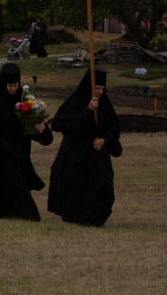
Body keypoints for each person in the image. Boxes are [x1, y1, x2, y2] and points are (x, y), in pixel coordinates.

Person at [47, 67, 122, 227]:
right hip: (77, 151)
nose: (100, 92)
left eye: (102, 88)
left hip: (98, 152)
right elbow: (68, 125)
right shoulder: (77, 101)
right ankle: (80, 217)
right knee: (79, 185)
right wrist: (87, 110)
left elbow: (114, 127)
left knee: (104, 184)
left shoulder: (105, 103)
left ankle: (97, 218)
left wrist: (104, 140)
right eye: (97, 88)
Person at [0, 62, 52, 220]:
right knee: (12, 183)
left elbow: (30, 124)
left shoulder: (24, 99)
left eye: (15, 85)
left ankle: (7, 213)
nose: (13, 89)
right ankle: (30, 215)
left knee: (17, 184)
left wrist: (42, 129)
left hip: (21, 151)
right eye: (10, 85)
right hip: (2, 153)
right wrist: (4, 146)